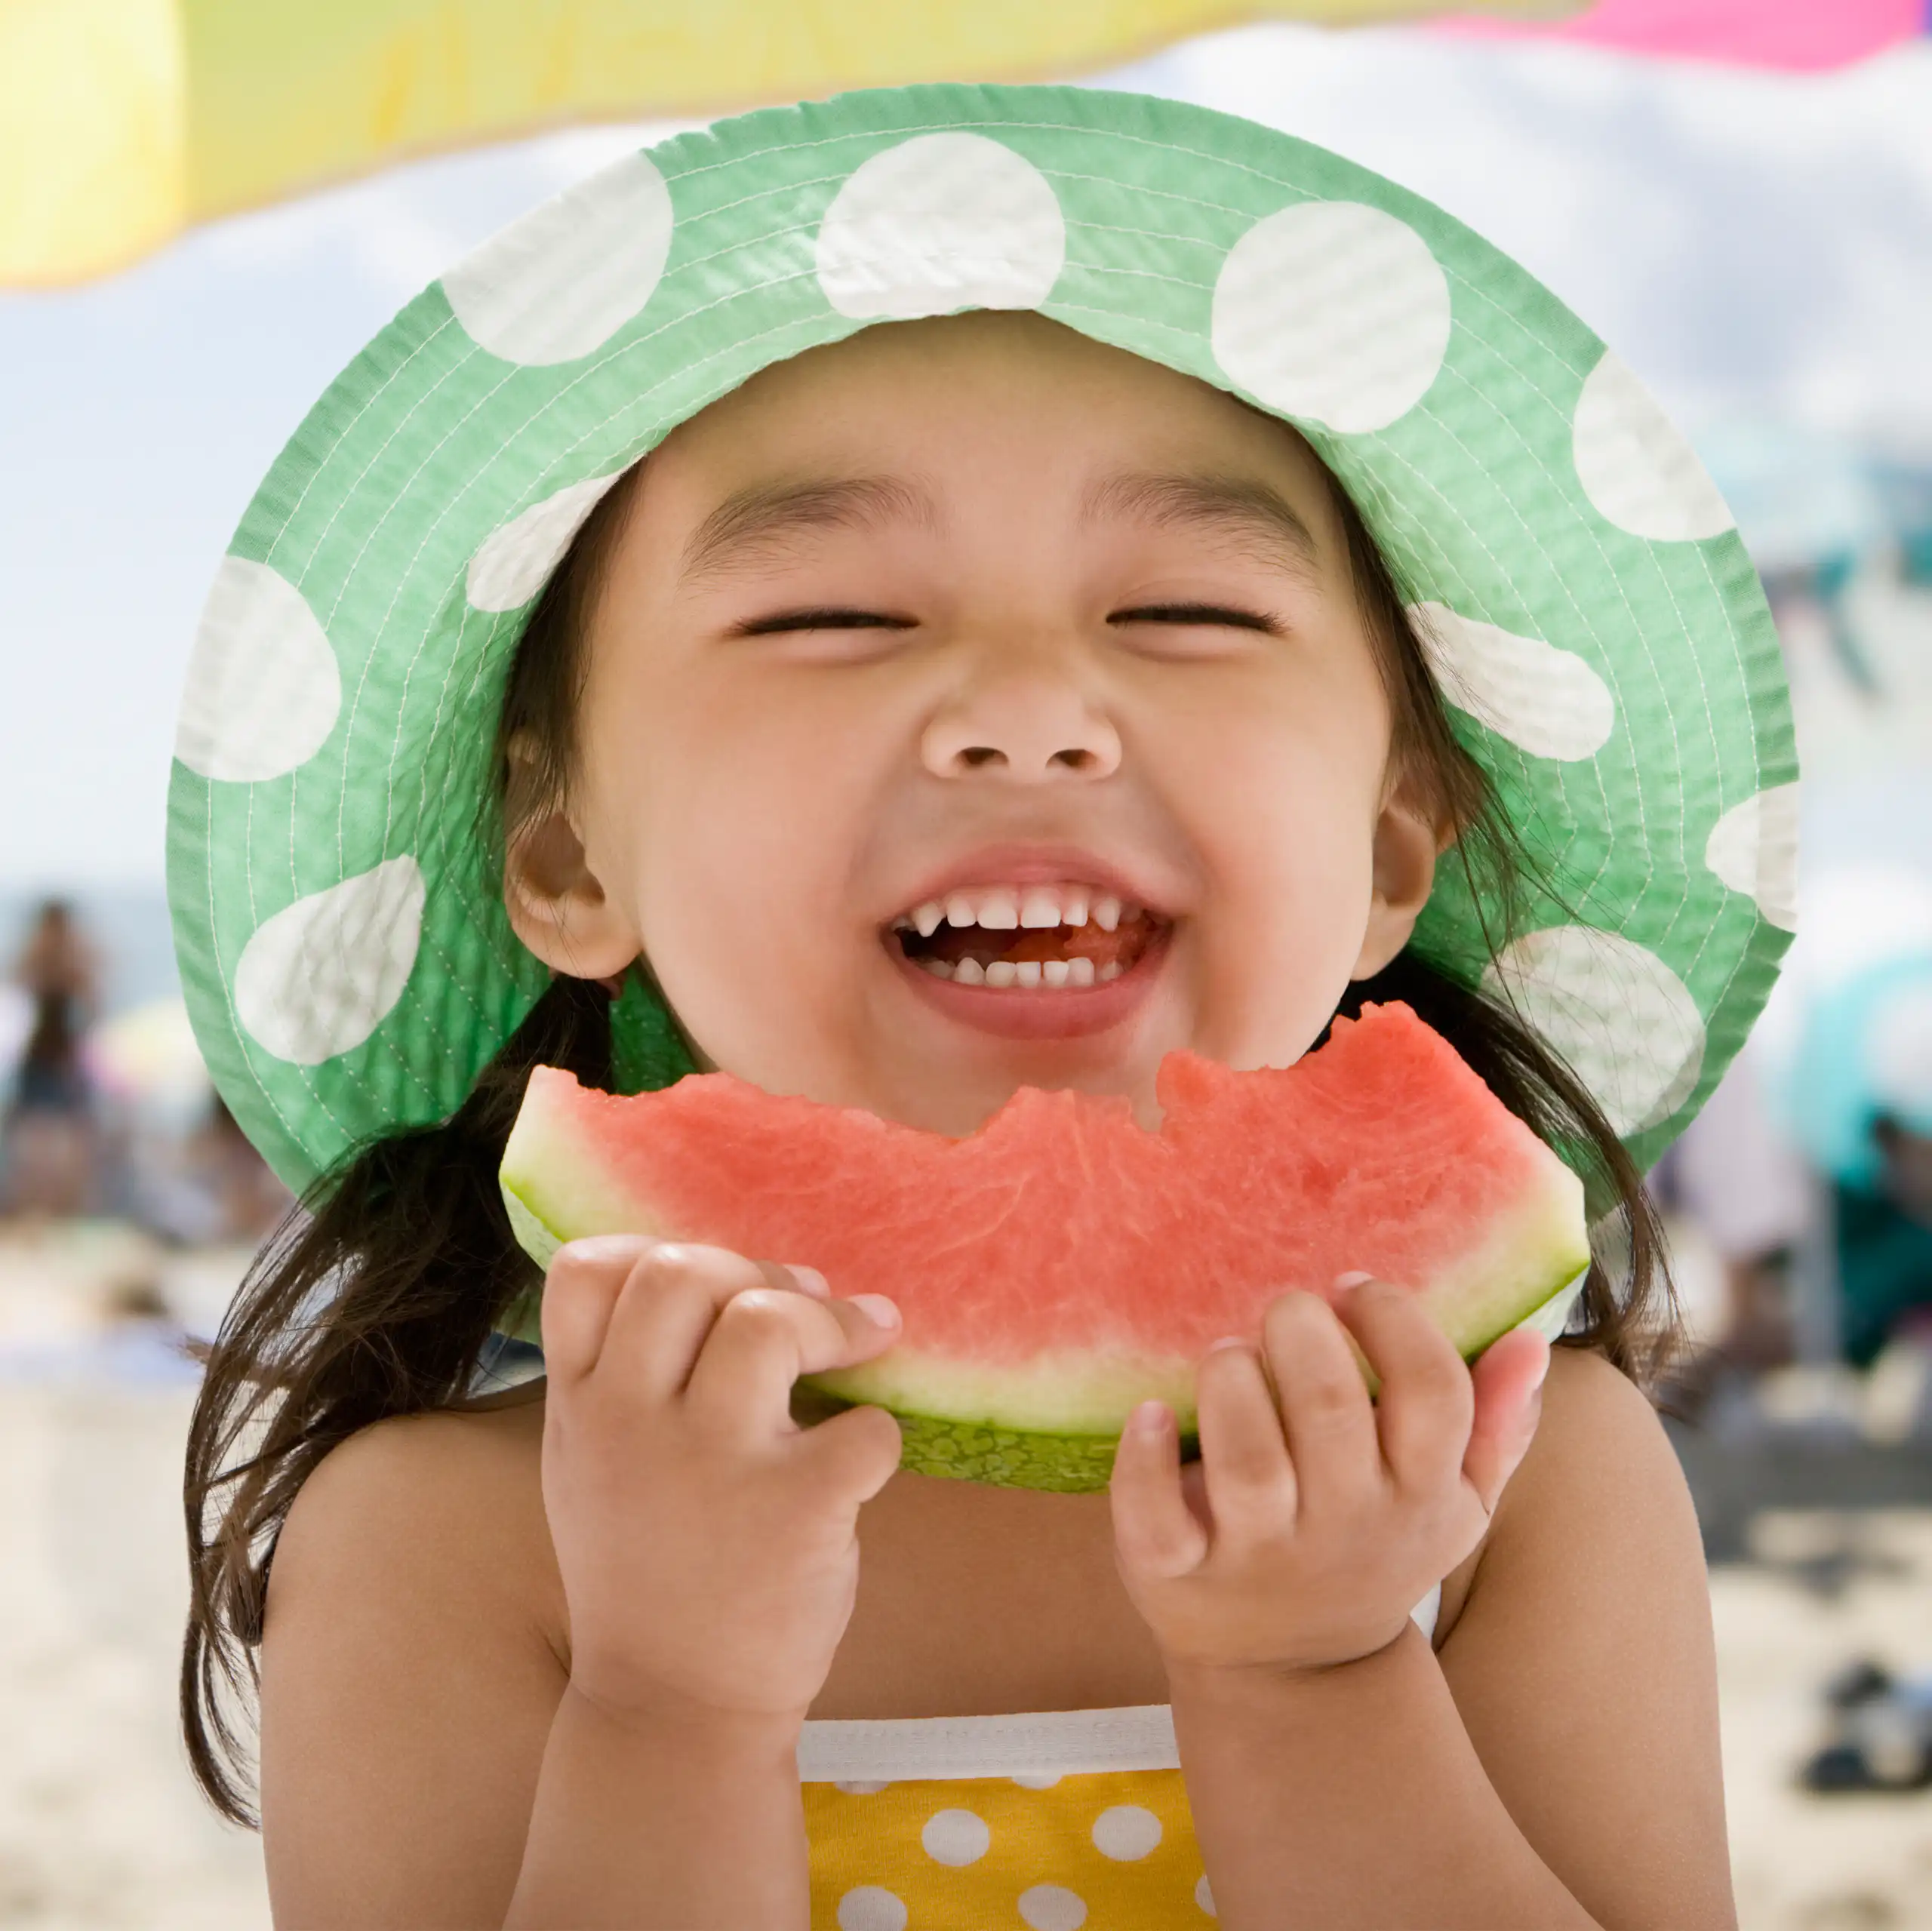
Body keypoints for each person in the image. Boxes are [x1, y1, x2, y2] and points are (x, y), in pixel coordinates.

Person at [173, 87, 1794, 1928]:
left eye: (1185, 607)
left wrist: (1319, 1671)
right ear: (563, 853)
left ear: (1386, 843)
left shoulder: (1509, 1475)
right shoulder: (451, 1542)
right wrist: (670, 1700)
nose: (1028, 708)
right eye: (831, 617)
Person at [0, 896, 100, 1218]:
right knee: (33, 1152)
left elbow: (92, 1007)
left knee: (69, 1150)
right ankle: (37, 1214)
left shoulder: (75, 964)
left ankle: (59, 1214)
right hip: (41, 1063)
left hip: (61, 1064)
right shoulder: (38, 960)